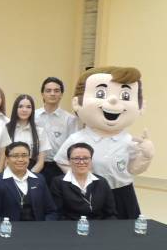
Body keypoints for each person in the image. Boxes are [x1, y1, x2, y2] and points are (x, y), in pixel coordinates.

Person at [55, 66, 154, 219]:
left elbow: (133, 169)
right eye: (101, 94)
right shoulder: (77, 139)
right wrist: (80, 179)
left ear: (141, 105)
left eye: (125, 96)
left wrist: (146, 156)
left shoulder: (129, 140)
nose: (113, 100)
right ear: (77, 102)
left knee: (125, 233)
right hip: (92, 193)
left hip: (122, 191)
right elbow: (62, 160)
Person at [0, 142, 58, 221]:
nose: (20, 159)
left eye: (24, 155)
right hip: (10, 229)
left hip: (38, 229)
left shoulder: (39, 179)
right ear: (7, 159)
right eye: (15, 156)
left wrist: (45, 227)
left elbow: (51, 210)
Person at [50, 143, 117, 220]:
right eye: (76, 158)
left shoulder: (102, 182)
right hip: (69, 226)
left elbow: (111, 213)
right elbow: (57, 214)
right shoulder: (58, 182)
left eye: (85, 158)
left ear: (91, 160)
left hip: (99, 226)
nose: (81, 162)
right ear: (69, 161)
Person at [35, 77, 78, 187]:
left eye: (56, 90)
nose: (52, 94)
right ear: (42, 94)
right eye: (48, 91)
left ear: (61, 94)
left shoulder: (70, 119)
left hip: (58, 166)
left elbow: (73, 147)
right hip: (35, 165)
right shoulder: (33, 116)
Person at [0, 94, 50, 173]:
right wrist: (12, 175)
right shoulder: (6, 129)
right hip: (9, 171)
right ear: (15, 109)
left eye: (28, 107)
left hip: (32, 171)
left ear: (32, 110)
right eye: (20, 106)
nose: (24, 110)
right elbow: (3, 158)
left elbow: (40, 162)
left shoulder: (40, 131)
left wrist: (28, 177)